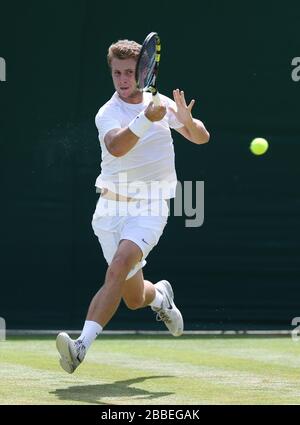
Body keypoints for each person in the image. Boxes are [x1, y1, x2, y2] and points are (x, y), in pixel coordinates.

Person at [56, 39, 210, 374]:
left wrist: (189, 122)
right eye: (117, 73)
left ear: (142, 72)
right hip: (109, 211)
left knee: (117, 267)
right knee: (133, 296)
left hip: (150, 207)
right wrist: (144, 118)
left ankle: (80, 347)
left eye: (129, 72)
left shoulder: (162, 103)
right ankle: (160, 297)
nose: (123, 79)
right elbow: (116, 146)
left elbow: (201, 137)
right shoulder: (108, 113)